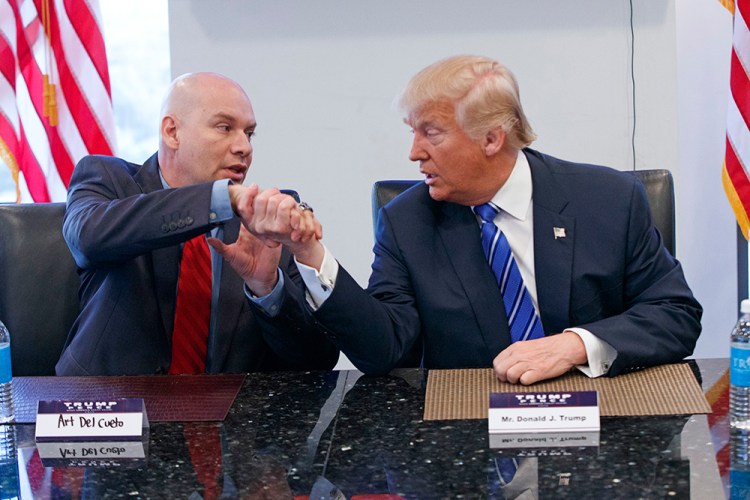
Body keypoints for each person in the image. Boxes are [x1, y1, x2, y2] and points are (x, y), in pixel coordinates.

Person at [242, 55, 702, 385]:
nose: (413, 152)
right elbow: (385, 350)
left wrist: (576, 344)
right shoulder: (408, 221)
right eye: (412, 131)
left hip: (604, 433)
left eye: (431, 133)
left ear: (491, 139)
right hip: (469, 437)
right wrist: (310, 254)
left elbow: (676, 315)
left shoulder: (609, 200)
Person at [56, 72, 338, 375]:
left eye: (249, 133)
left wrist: (267, 288)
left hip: (227, 417)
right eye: (225, 128)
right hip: (109, 412)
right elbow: (88, 237)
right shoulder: (108, 179)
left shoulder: (264, 224)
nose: (244, 146)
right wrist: (219, 201)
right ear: (172, 132)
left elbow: (319, 360)